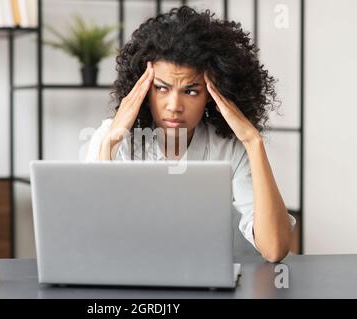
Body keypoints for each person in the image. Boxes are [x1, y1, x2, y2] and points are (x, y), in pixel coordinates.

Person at [86, 6, 296, 262]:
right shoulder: (112, 138)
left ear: (213, 94)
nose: (174, 106)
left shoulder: (228, 148)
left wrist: (253, 142)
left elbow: (275, 249)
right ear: (142, 88)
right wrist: (110, 142)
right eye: (161, 88)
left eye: (191, 91)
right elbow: (92, 238)